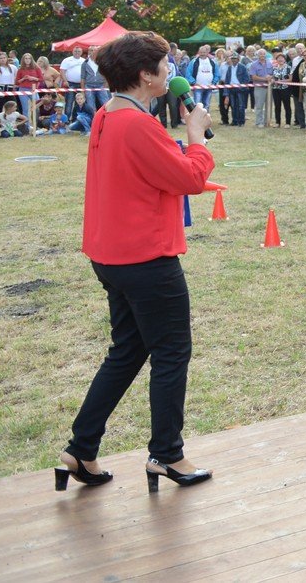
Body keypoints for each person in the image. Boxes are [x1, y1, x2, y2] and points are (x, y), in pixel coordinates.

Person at [56, 31, 215, 494]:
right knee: (171, 352)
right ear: (146, 75)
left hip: (113, 253)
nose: (170, 73)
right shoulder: (137, 124)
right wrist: (196, 137)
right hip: (145, 258)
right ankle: (167, 454)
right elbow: (188, 177)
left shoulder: (108, 114)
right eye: (165, 66)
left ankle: (81, 449)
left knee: (127, 350)